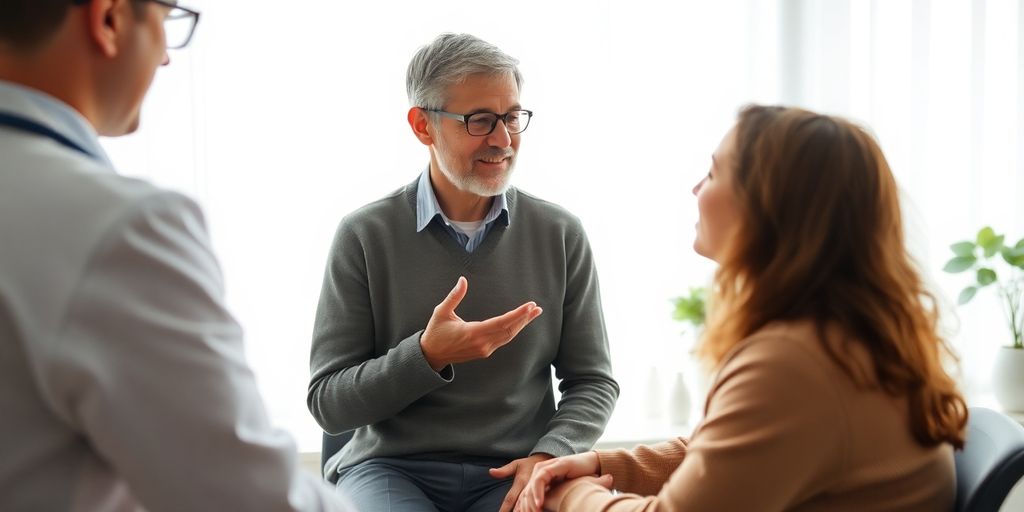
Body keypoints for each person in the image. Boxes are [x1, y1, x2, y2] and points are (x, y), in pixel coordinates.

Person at [515, 105, 969, 512]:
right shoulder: (840, 336)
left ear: (770, 207)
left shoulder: (794, 364)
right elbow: (723, 451)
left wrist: (570, 495)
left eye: (713, 173)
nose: (696, 188)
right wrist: (602, 465)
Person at [0, 1, 355, 510]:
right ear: (109, 19)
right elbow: (253, 500)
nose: (166, 56)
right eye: (167, 22)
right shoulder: (119, 228)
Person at [307, 33, 620, 512]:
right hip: (391, 468)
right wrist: (427, 355)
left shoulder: (560, 234)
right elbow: (329, 403)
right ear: (423, 126)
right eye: (479, 121)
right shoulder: (364, 235)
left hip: (514, 468)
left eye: (512, 117)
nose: (503, 140)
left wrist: (549, 453)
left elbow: (593, 381)